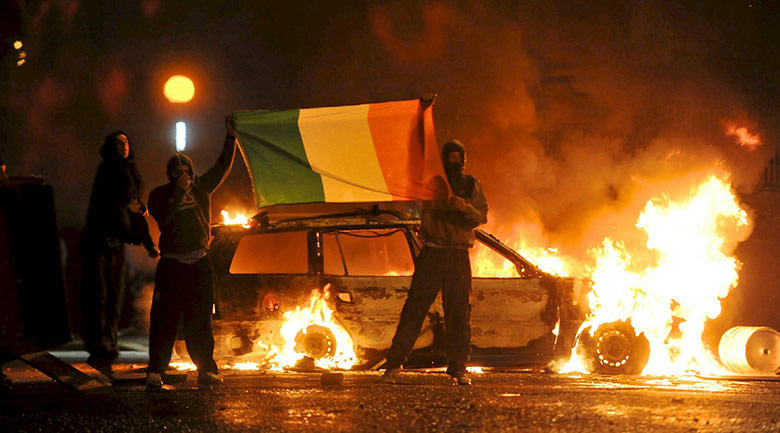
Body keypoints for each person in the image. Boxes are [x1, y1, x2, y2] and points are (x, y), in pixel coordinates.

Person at [381, 138, 488, 386]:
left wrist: (464, 208)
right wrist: (443, 203)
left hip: (458, 254)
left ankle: (459, 367)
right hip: (433, 251)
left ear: (463, 159)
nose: (453, 161)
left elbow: (480, 215)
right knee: (415, 308)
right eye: (449, 156)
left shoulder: (472, 185)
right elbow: (422, 211)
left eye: (456, 157)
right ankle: (394, 364)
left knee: (459, 312)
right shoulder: (431, 184)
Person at [145, 117, 237, 388]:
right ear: (170, 174)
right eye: (177, 172)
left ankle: (206, 370)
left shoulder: (202, 187)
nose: (183, 176)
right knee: (164, 320)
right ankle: (155, 371)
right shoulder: (159, 195)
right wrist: (177, 192)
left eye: (186, 171)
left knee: (200, 319)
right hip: (172, 265)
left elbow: (222, 167)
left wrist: (231, 138)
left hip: (198, 263)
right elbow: (164, 218)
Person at [79, 131, 159, 380]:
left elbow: (134, 208)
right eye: (118, 142)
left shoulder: (130, 173)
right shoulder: (109, 170)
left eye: (126, 141)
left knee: (113, 294)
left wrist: (147, 242)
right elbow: (122, 205)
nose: (124, 145)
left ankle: (108, 344)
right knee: (100, 294)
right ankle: (100, 344)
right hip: (99, 241)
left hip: (116, 243)